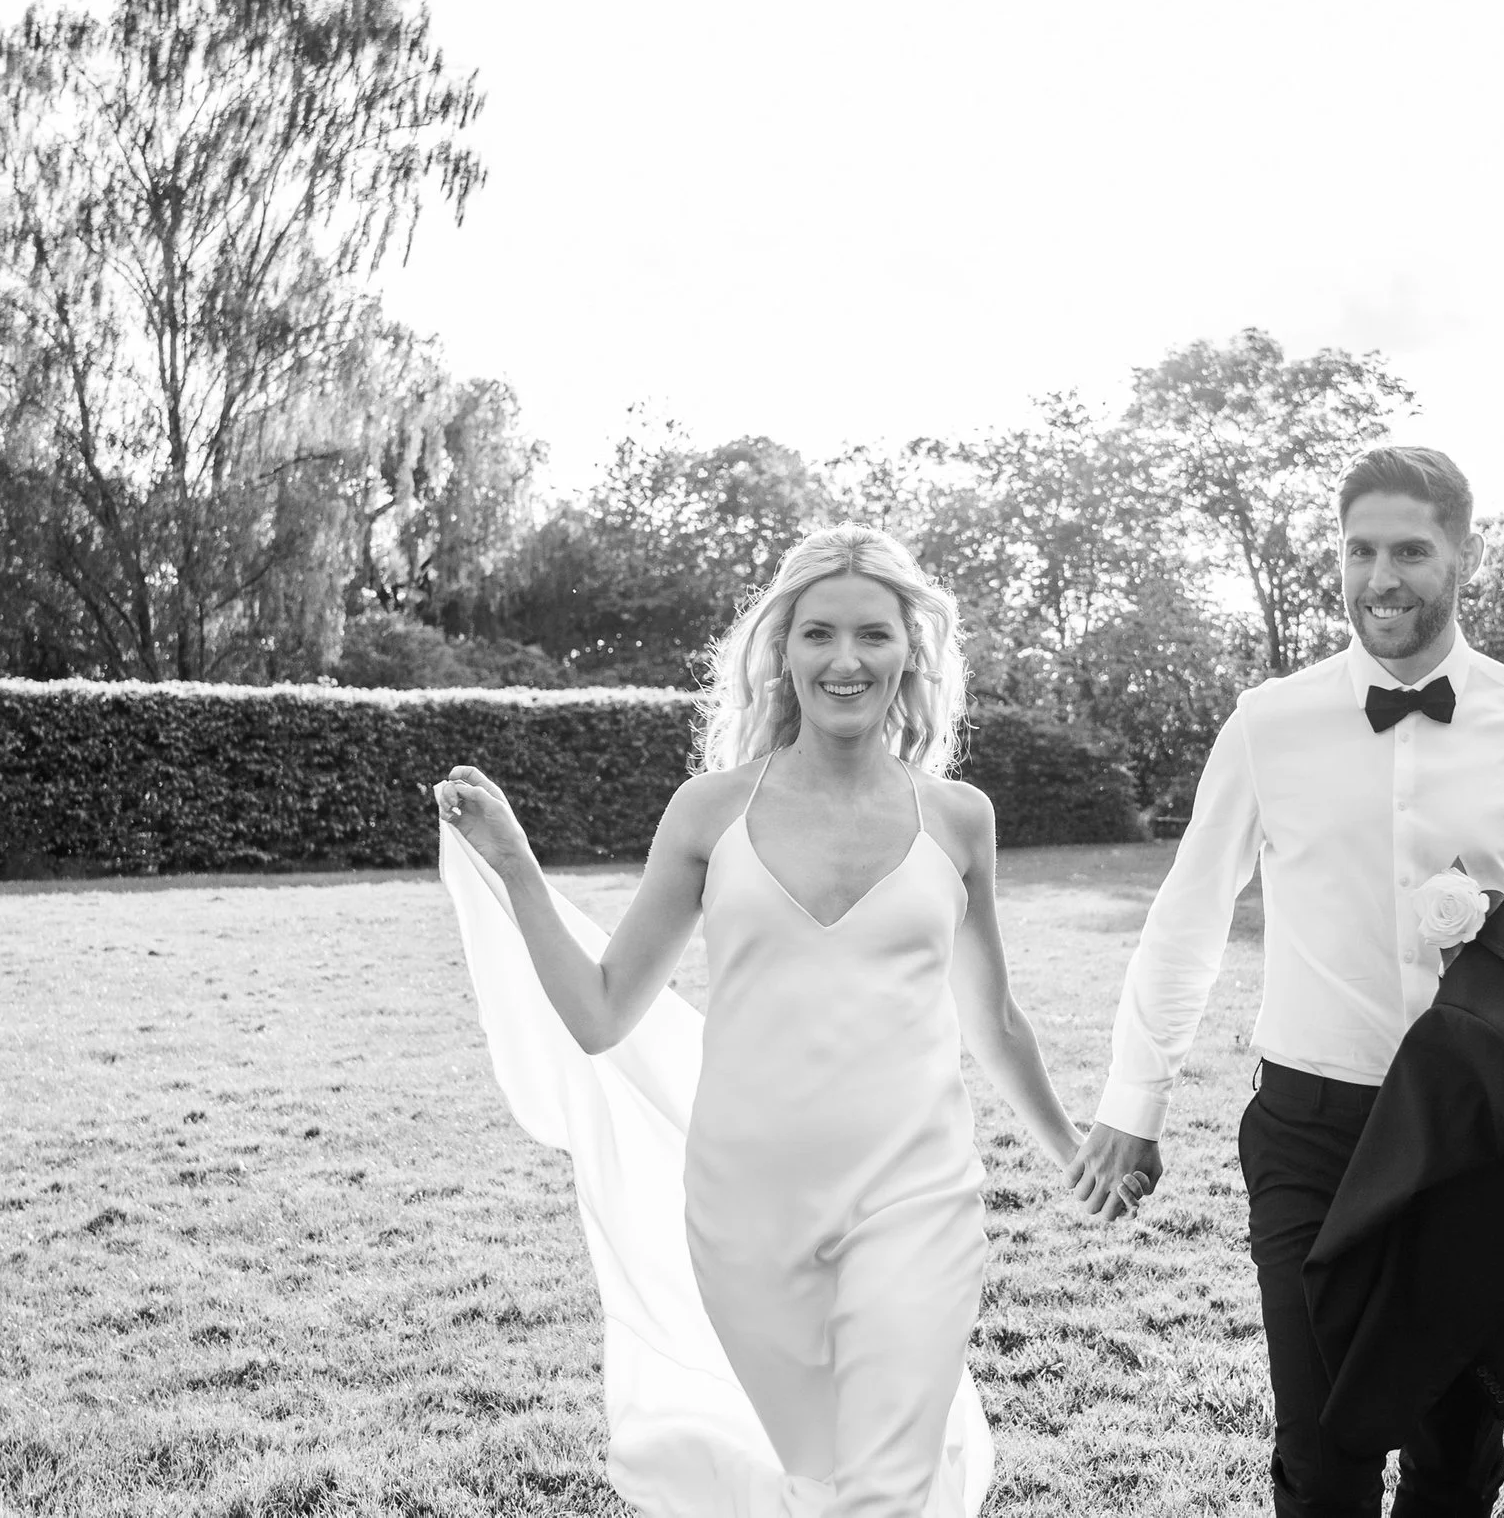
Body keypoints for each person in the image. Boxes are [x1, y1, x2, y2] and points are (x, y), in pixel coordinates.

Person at [437, 523, 1098, 1518]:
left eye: (873, 633)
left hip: (917, 1196)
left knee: (883, 1486)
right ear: (781, 651)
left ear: (910, 650)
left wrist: (1074, 1150)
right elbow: (602, 1013)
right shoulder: (708, 813)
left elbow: (993, 1018)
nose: (845, 659)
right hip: (746, 1212)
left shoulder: (960, 818)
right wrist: (517, 867)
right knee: (823, 1484)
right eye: (818, 632)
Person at [1066, 446, 1504, 1518]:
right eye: (1359, 551)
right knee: (1322, 1453)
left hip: (1478, 1136)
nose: (1380, 578)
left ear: (1462, 556)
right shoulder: (1268, 722)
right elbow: (1188, 914)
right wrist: (1133, 1104)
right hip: (1310, 1130)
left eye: (1409, 551)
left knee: (1455, 1454)